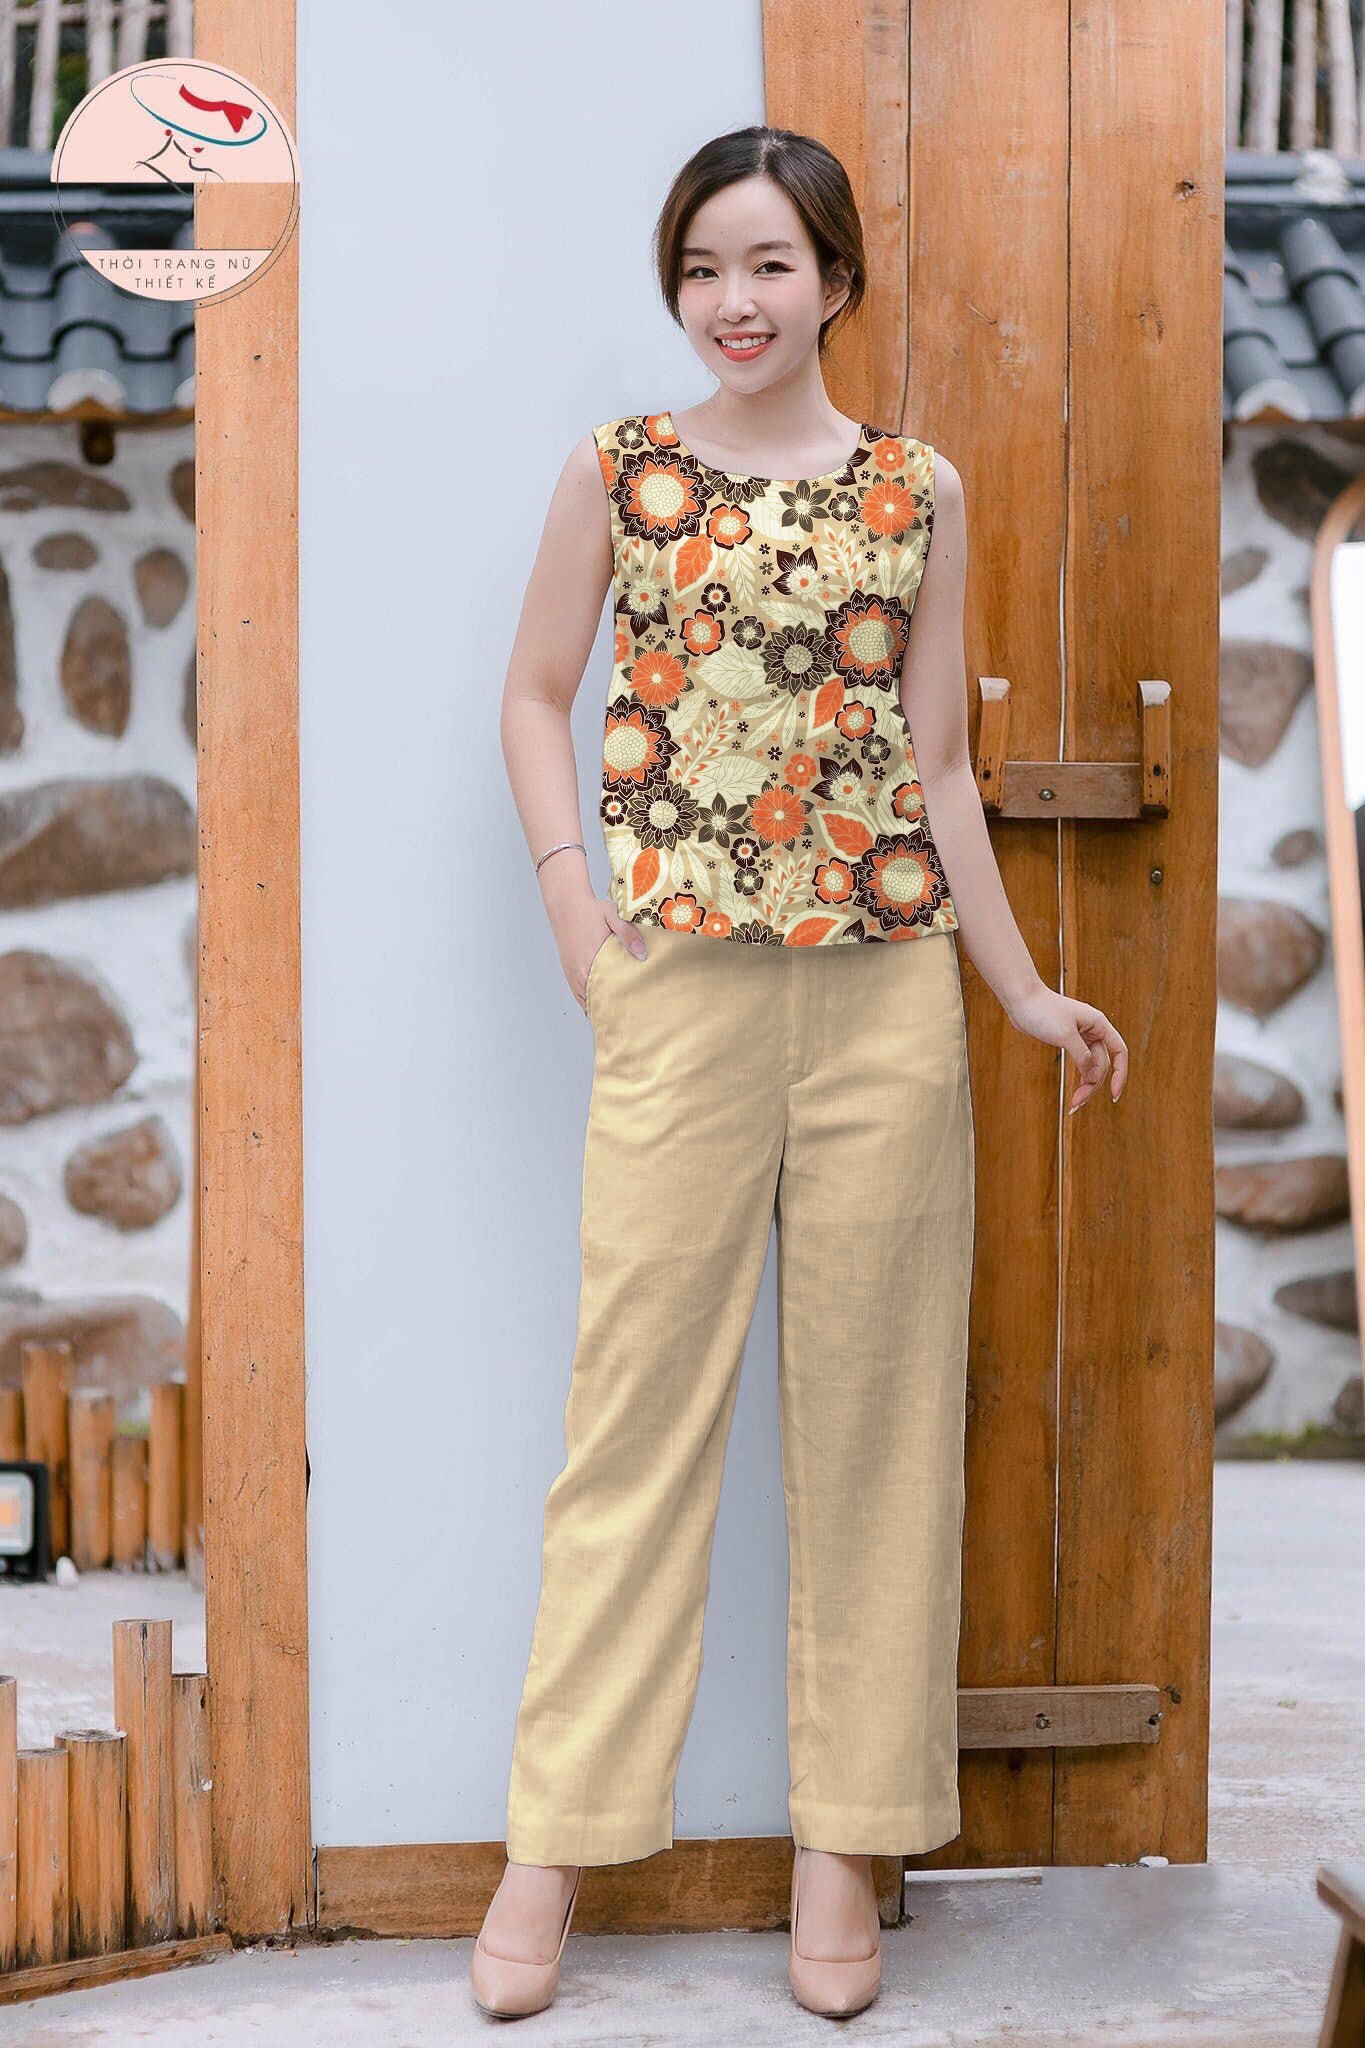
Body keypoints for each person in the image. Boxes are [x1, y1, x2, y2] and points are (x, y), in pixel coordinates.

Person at [475, 122, 1127, 2022]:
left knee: (878, 1435)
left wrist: (1017, 991)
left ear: (835, 278)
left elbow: (939, 769)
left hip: (882, 1006)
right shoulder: (619, 470)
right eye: (702, 268)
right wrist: (576, 915)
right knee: (632, 1429)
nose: (731, 301)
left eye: (766, 264)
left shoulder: (916, 488)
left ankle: (844, 1847)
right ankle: (551, 1843)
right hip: (675, 994)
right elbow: (532, 694)